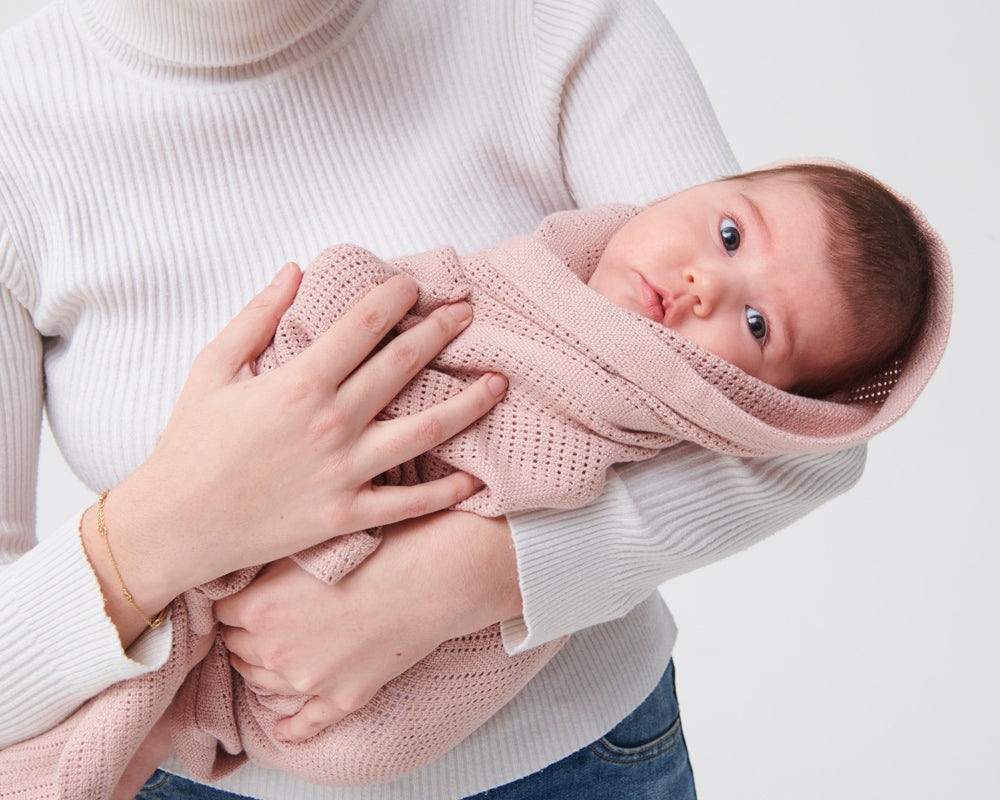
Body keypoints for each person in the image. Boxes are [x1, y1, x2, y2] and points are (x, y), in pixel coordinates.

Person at [0, 2, 894, 799]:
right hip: (201, 775)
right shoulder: (16, 129)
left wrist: (461, 581)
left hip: (581, 761)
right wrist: (172, 521)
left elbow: (799, 420)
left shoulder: (548, 20)